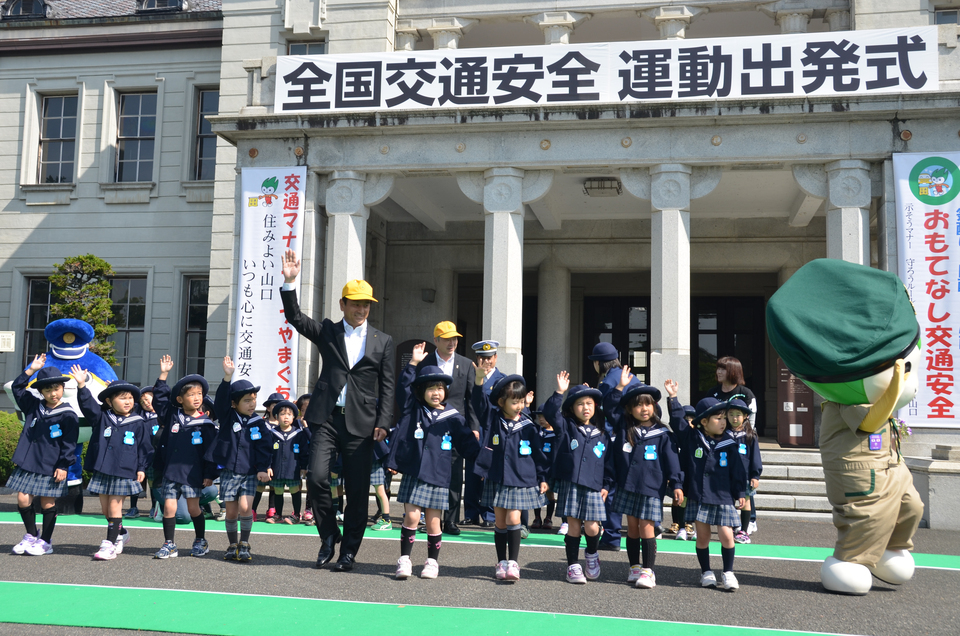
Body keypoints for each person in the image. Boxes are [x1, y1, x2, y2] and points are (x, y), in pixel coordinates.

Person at [280, 249, 396, 572]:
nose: (361, 309)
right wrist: (290, 283)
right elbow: (296, 319)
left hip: (363, 424)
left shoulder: (382, 341)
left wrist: (384, 422)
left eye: (366, 304)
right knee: (317, 478)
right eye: (355, 303)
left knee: (358, 492)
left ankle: (349, 552)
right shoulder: (329, 331)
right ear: (343, 304)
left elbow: (388, 386)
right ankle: (329, 534)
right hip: (326, 418)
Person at [387, 343, 480, 579]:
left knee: (433, 522)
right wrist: (413, 364)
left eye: (440, 388)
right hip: (415, 472)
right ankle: (405, 559)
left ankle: (431, 562)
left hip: (439, 475)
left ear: (446, 392)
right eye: (430, 388)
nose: (436, 392)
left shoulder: (454, 417)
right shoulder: (413, 408)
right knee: (411, 516)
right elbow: (403, 390)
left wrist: (484, 462)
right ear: (422, 392)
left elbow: (468, 444)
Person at [603, 367, 682, 589]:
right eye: (638, 404)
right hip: (628, 484)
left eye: (648, 404)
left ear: (655, 407)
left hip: (650, 486)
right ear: (630, 409)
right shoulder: (625, 427)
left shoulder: (663, 433)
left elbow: (672, 461)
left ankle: (648, 571)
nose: (644, 408)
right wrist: (619, 387)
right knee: (633, 527)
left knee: (647, 527)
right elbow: (610, 408)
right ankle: (634, 567)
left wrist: (676, 483)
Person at [667, 384, 747, 591]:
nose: (723, 422)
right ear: (703, 421)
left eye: (724, 418)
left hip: (722, 495)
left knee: (726, 535)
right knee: (702, 536)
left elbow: (738, 470)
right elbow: (677, 422)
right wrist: (674, 398)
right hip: (699, 495)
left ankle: (728, 572)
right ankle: (706, 572)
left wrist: (740, 492)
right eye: (718, 418)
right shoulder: (692, 438)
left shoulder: (729, 442)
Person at [472, 367, 548, 581]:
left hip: (519, 479)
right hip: (496, 477)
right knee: (500, 522)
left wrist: (542, 477)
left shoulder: (529, 426)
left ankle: (513, 562)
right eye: (514, 402)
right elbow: (479, 405)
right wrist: (479, 381)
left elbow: (539, 455)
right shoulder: (493, 418)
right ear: (501, 402)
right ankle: (501, 561)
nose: (518, 407)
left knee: (514, 518)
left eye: (521, 402)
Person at [72, 371, 153, 560]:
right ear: (109, 401)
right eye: (122, 398)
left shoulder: (138, 422)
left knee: (115, 508)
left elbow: (145, 447)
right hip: (103, 468)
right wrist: (82, 386)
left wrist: (141, 468)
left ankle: (108, 544)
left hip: (124, 470)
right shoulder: (102, 417)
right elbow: (88, 406)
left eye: (131, 398)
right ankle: (121, 533)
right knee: (106, 510)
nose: (128, 402)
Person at [542, 373, 610, 585]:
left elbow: (608, 462)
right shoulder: (566, 428)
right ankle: (572, 565)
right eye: (580, 404)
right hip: (571, 484)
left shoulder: (602, 433)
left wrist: (607, 484)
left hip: (593, 486)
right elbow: (550, 413)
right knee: (573, 526)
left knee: (592, 527)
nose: (585, 407)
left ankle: (591, 554)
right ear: (571, 408)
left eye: (589, 403)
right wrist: (559, 392)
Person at [413, 321, 479, 536]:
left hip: (456, 426)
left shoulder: (466, 364)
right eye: (447, 338)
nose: (452, 342)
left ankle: (450, 519)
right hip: (429, 426)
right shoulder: (425, 362)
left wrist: (474, 427)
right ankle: (429, 517)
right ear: (436, 340)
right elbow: (415, 396)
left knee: (453, 473)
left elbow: (471, 399)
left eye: (455, 338)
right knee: (428, 469)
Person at [9, 356, 79, 556]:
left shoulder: (68, 414)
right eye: (47, 390)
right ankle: (31, 535)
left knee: (47, 503)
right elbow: (17, 388)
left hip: (51, 465)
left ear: (62, 389)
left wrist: (64, 466)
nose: (53, 393)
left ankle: (46, 541)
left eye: (56, 388)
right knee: (23, 500)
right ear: (41, 392)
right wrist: (31, 369)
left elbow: (69, 444)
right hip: (28, 461)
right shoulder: (33, 405)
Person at [152, 363, 219, 559]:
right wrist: (163, 375)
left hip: (193, 473)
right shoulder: (173, 416)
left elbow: (210, 453)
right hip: (171, 471)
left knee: (193, 508)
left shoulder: (206, 424)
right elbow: (159, 402)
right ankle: (169, 544)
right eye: (191, 394)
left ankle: (200, 540)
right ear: (180, 399)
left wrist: (209, 475)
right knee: (169, 507)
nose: (197, 398)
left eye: (199, 394)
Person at [209, 357, 272, 561]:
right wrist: (227, 377)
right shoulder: (228, 417)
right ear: (234, 403)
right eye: (247, 400)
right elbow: (220, 402)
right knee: (231, 512)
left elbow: (265, 448)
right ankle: (232, 544)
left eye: (253, 399)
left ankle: (244, 543)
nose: (252, 403)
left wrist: (263, 468)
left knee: (246, 508)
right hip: (229, 472)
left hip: (250, 473)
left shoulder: (259, 423)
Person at [463, 340, 503, 528]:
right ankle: (471, 513)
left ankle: (489, 514)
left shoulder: (502, 380)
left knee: (487, 472)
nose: (486, 361)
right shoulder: (470, 377)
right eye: (482, 358)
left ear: (495, 357)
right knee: (472, 473)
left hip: (492, 433)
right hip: (473, 431)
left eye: (489, 358)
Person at [262, 399, 309, 524]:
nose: (286, 417)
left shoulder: (298, 433)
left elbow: (304, 452)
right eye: (282, 414)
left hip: (293, 468)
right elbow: (268, 452)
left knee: (295, 490)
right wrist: (268, 466)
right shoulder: (272, 433)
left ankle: (297, 515)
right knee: (278, 491)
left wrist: (303, 467)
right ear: (277, 417)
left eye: (289, 414)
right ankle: (278, 514)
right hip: (277, 468)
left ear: (294, 417)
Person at [726, 399, 762, 543]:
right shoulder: (723, 434)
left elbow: (755, 457)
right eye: (731, 414)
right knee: (728, 501)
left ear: (745, 416)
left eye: (738, 415)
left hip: (745, 475)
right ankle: (730, 527)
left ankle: (743, 531)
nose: (734, 418)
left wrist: (755, 475)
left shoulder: (750, 436)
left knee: (745, 501)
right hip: (726, 475)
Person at [255, 392, 284, 521]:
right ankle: (253, 509)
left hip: (279, 459)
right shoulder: (262, 423)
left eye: (281, 405)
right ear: (268, 408)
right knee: (260, 485)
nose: (278, 407)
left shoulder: (286, 425)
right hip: (263, 459)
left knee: (276, 485)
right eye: (274, 404)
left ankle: (272, 509)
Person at [709, 357, 758, 431]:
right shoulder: (712, 392)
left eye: (723, 369)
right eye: (718, 369)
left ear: (733, 372)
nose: (719, 372)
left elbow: (751, 416)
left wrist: (747, 434)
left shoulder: (746, 393)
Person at [530, 409, 557, 531]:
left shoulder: (556, 433)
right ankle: (537, 517)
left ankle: (548, 518)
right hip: (537, 466)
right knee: (537, 492)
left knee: (549, 492)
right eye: (539, 417)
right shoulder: (537, 431)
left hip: (550, 467)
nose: (541, 419)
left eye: (544, 417)